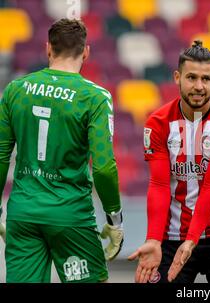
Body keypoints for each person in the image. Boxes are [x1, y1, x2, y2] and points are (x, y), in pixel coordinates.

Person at [0, 18, 124, 283]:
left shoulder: (15, 90)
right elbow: (103, 167)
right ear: (86, 52)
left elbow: (0, 157)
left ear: (48, 49)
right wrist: (115, 220)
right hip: (71, 216)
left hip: (23, 214)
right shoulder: (95, 97)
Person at [128, 40, 210, 283]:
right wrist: (153, 239)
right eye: (191, 77)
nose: (198, 86)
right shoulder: (158, 123)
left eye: (206, 79)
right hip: (173, 236)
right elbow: (159, 185)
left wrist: (192, 240)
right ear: (177, 77)